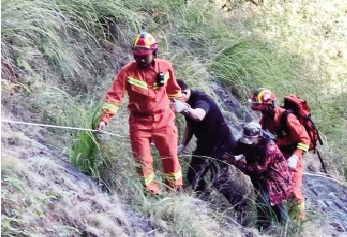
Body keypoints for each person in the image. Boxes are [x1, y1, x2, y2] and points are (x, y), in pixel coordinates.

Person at [97, 32, 185, 194]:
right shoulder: (127, 72)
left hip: (164, 120)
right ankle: (151, 193)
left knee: (171, 158)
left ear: (154, 52)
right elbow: (114, 96)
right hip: (139, 123)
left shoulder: (165, 67)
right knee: (143, 162)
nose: (141, 60)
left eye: (145, 56)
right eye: (138, 56)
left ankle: (174, 192)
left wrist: (182, 105)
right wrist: (105, 119)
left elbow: (174, 91)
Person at [175, 79, 243, 207]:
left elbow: (199, 115)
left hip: (222, 145)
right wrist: (183, 144)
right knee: (193, 175)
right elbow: (190, 125)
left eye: (175, 98)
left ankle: (241, 208)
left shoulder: (201, 100)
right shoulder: (186, 101)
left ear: (184, 92)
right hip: (204, 144)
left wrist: (186, 109)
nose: (174, 102)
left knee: (219, 180)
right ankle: (206, 204)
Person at [248, 88, 311, 221]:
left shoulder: (287, 117)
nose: (256, 107)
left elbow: (305, 139)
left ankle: (298, 223)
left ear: (268, 103)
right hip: (277, 156)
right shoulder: (265, 119)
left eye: (258, 104)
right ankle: (279, 215)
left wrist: (295, 156)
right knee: (273, 183)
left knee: (293, 189)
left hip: (291, 155)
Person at [226, 122, 294, 231]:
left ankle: (264, 230)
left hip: (276, 181)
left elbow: (257, 169)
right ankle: (282, 229)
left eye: (251, 140)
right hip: (263, 180)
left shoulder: (269, 148)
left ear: (259, 137)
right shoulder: (247, 142)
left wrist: (236, 162)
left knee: (263, 201)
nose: (248, 143)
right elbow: (237, 148)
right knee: (273, 204)